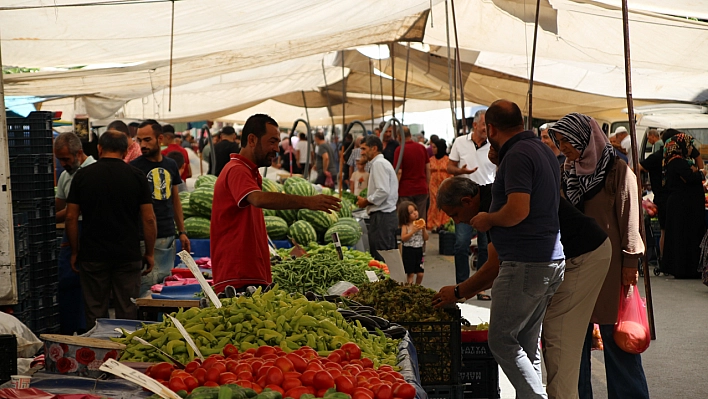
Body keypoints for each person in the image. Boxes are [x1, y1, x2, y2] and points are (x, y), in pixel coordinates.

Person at [432, 175, 611, 399]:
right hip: (561, 259)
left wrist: (460, 291)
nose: (457, 222)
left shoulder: (493, 203)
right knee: (529, 340)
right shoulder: (491, 197)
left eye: (455, 215)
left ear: (467, 201)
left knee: (554, 339)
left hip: (583, 254)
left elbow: (494, 266)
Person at [469, 100, 565, 398]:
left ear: (492, 128)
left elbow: (518, 210)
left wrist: (488, 218)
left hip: (526, 261)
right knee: (525, 342)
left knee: (500, 340)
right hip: (547, 260)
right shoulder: (540, 150)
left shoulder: (519, 155)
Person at [549, 113, 649, 399]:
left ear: (584, 136)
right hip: (574, 266)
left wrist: (631, 262)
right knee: (573, 343)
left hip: (611, 267)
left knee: (617, 341)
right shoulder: (566, 171)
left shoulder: (618, 170)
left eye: (567, 139)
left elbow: (631, 219)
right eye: (559, 141)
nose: (563, 146)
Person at [210, 114, 340, 293]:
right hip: (237, 277)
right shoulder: (237, 170)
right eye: (272, 141)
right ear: (252, 139)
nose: (276, 149)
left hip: (248, 275)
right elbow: (258, 199)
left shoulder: (249, 171)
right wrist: (307, 202)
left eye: (277, 142)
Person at [65, 130, 157, 329]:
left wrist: (74, 251)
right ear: (125, 151)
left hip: (92, 254)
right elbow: (149, 218)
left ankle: (95, 354)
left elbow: (71, 216)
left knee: (95, 311)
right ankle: (125, 353)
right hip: (127, 255)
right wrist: (149, 252)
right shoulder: (136, 176)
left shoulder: (83, 176)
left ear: (99, 148)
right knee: (127, 310)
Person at [132, 120, 191, 296]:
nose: (143, 145)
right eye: (139, 140)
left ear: (160, 139)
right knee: (145, 290)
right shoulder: (134, 167)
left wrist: (182, 231)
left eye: (147, 140)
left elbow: (175, 200)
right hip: (144, 238)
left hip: (168, 236)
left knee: (165, 288)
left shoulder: (171, 165)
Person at [448, 109, 495, 294]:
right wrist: (461, 172)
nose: (487, 128)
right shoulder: (460, 142)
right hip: (465, 202)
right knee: (461, 244)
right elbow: (449, 166)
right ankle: (462, 283)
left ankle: (480, 287)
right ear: (475, 125)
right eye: (484, 124)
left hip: (487, 201)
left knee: (485, 246)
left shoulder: (493, 145)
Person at [54, 132, 96, 335]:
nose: (62, 163)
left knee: (87, 283)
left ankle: (83, 328)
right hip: (71, 232)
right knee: (68, 283)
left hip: (87, 230)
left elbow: (73, 213)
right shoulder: (65, 175)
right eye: (60, 159)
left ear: (79, 153)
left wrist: (58, 216)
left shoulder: (92, 172)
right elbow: (60, 204)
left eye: (66, 159)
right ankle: (70, 328)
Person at [662, 133, 706, 279]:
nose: (690, 149)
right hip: (682, 207)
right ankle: (684, 269)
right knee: (683, 238)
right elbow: (689, 178)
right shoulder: (677, 162)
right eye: (688, 146)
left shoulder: (681, 161)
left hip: (684, 206)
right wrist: (700, 173)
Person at [357, 135, 399, 261]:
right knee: (387, 256)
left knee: (382, 258)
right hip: (385, 216)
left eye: (364, 149)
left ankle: (387, 281)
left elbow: (382, 191)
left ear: (374, 148)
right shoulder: (380, 163)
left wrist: (366, 201)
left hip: (382, 217)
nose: (362, 152)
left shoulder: (378, 164)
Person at [394, 126, 431, 220]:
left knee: (407, 220)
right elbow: (428, 168)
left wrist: (394, 189)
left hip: (405, 190)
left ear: (399, 136)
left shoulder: (399, 150)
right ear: (410, 135)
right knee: (421, 218)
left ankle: (409, 235)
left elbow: (399, 172)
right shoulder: (421, 148)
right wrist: (427, 185)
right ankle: (421, 234)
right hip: (421, 188)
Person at [398, 201, 428, 285]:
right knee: (410, 274)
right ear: (405, 216)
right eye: (411, 212)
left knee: (420, 273)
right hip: (408, 251)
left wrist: (424, 229)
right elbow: (403, 238)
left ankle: (417, 287)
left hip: (419, 250)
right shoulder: (405, 226)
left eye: (415, 210)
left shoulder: (420, 223)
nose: (415, 213)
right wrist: (412, 231)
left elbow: (426, 238)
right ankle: (410, 288)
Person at [427, 138, 452, 231]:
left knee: (444, 203)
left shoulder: (448, 160)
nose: (432, 149)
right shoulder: (431, 160)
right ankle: (433, 224)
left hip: (445, 185)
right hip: (433, 185)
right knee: (434, 204)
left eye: (434, 147)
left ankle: (443, 223)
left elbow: (451, 173)